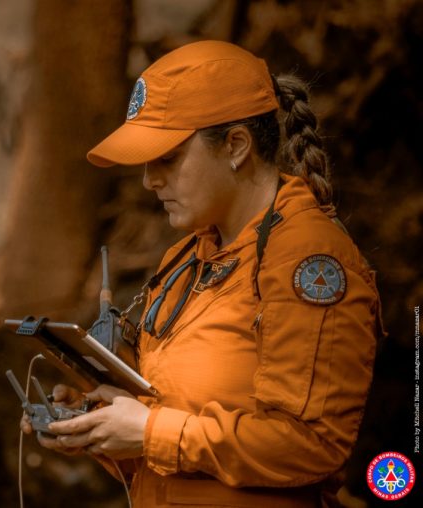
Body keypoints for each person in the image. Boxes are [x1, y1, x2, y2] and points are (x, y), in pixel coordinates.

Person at [20, 40, 383, 507]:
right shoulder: (188, 257)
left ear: (236, 145)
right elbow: (178, 447)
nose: (150, 179)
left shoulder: (306, 259)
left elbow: (311, 447)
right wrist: (100, 425)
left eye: (167, 158)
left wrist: (150, 432)